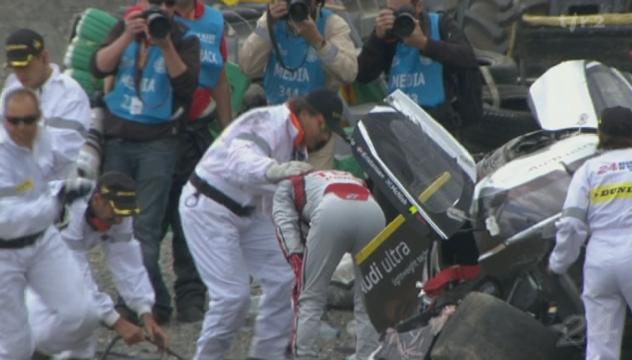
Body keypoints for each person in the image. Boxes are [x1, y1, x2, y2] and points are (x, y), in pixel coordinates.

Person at [179, 88, 348, 359]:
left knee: (289, 276)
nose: (326, 136)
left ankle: (269, 354)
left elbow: (278, 203)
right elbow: (240, 159)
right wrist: (272, 170)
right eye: (324, 126)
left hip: (249, 212)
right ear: (305, 112)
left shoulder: (298, 151)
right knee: (233, 298)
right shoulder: (265, 120)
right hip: (208, 206)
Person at [90, 0, 200, 324]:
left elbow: (187, 86)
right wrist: (126, 36)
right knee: (116, 223)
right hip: (119, 141)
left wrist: (165, 44)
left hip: (159, 144)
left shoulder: (183, 39)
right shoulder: (124, 28)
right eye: (156, 5)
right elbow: (98, 66)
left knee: (144, 229)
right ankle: (157, 303)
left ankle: (131, 303)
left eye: (167, 6)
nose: (160, 12)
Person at [0, 88, 98, 358]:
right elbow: (7, 219)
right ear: (3, 119)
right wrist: (57, 201)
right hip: (4, 252)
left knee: (84, 315)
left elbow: (46, 179)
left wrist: (73, 182)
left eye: (28, 120)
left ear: (39, 118)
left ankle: (42, 350)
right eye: (13, 120)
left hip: (42, 240)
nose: (21, 127)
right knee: (14, 345)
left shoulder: (43, 140)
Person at [159, 0, 233, 323]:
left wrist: (228, 136)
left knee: (191, 217)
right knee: (150, 219)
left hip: (198, 130)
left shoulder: (214, 21)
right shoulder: (151, 14)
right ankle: (141, 300)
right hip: (158, 131)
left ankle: (191, 299)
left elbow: (218, 80)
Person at [43, 171, 169, 357]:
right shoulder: (69, 211)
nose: (118, 221)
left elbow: (128, 264)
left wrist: (145, 312)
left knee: (76, 333)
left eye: (122, 216)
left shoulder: (119, 214)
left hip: (37, 254)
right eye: (114, 215)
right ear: (97, 200)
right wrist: (117, 322)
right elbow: (74, 277)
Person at [548, 106, 632, 360]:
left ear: (601, 133)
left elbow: (571, 225)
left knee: (600, 348)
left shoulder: (588, 170)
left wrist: (558, 264)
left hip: (600, 262)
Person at [273, 170, 385, 360]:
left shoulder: (286, 186)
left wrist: (296, 257)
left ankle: (304, 356)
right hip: (373, 211)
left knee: (310, 298)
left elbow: (285, 226)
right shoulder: (344, 175)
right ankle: (368, 356)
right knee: (369, 301)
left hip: (332, 211)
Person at [239, 0, 357, 169]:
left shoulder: (332, 25)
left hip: (316, 129)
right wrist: (267, 25)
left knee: (313, 189)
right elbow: (247, 67)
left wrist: (318, 41)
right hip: (277, 123)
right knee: (275, 189)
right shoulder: (272, 21)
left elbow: (349, 73)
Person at [356, 0, 478, 131]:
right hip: (401, 120)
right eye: (391, 12)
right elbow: (363, 75)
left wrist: (424, 44)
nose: (396, 18)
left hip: (439, 120)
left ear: (419, 6)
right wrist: (377, 39)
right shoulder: (389, 35)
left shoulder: (440, 24)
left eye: (402, 12)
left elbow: (467, 58)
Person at [1, 28, 92, 161]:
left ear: (44, 58)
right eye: (15, 68)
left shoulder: (70, 94)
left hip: (56, 180)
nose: (20, 73)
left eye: (26, 66)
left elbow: (65, 152)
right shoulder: (12, 87)